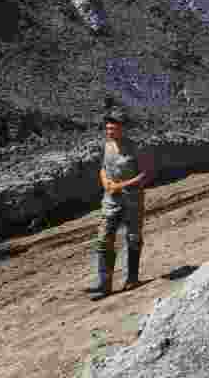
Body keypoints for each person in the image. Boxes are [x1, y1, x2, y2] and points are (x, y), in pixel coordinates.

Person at [85, 109, 152, 301]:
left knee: (133, 237)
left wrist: (120, 185)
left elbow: (145, 175)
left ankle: (132, 279)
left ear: (123, 129)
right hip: (111, 200)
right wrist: (105, 181)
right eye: (107, 129)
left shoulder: (136, 148)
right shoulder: (107, 146)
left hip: (132, 200)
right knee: (103, 239)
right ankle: (104, 284)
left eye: (113, 129)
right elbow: (103, 168)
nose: (109, 132)